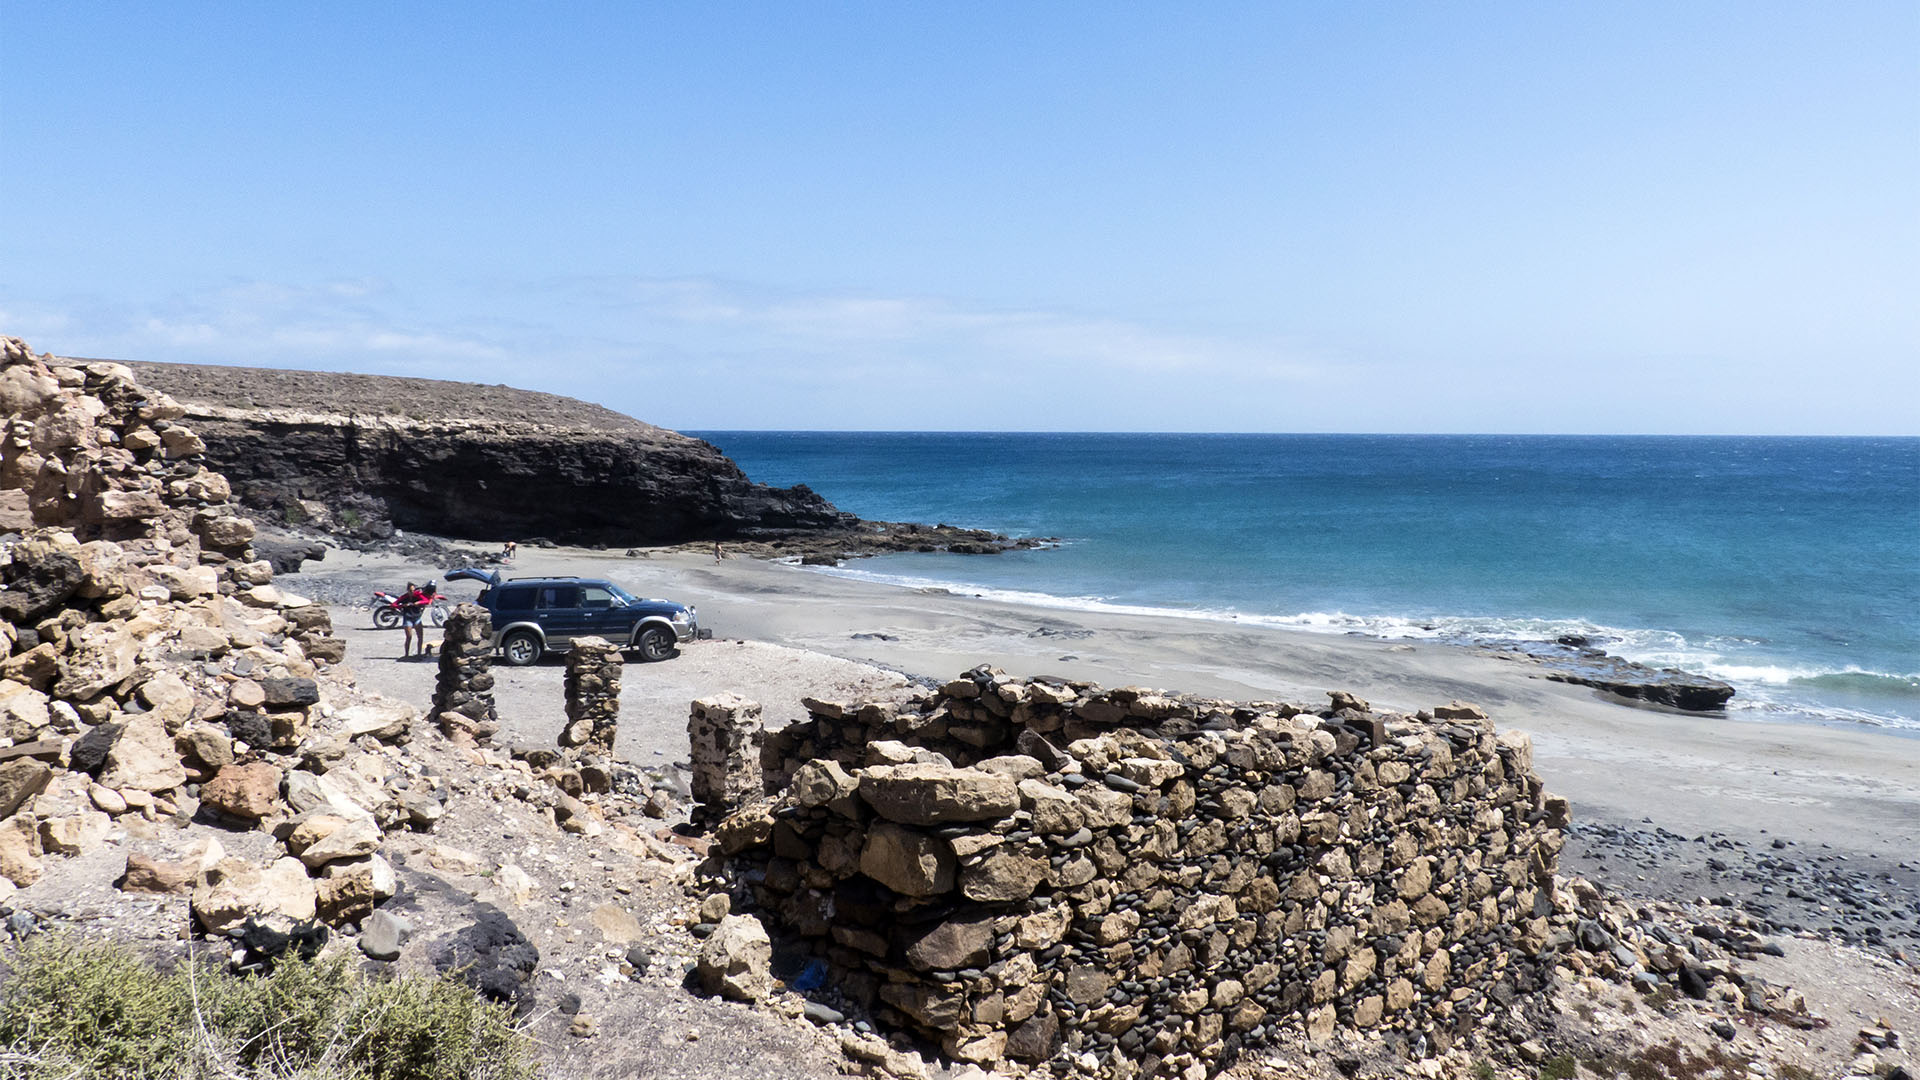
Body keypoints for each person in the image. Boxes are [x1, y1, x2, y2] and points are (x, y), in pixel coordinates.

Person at [398, 581, 431, 658]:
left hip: (417, 617)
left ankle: (419, 653)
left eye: (413, 590)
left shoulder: (418, 595)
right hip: (408, 618)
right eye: (410, 591)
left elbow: (426, 601)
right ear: (407, 590)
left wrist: (418, 602)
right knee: (409, 637)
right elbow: (395, 604)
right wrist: (403, 605)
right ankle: (406, 654)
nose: (412, 592)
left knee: (420, 636)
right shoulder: (404, 597)